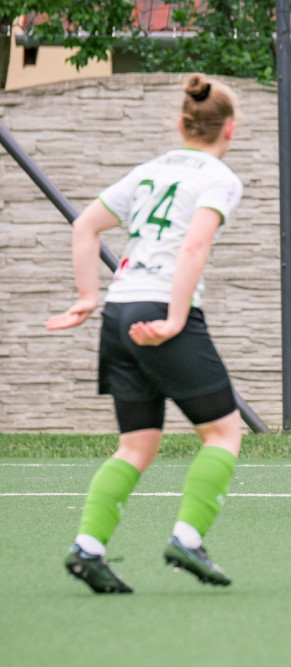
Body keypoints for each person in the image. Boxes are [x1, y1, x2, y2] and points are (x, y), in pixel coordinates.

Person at [46, 74, 244, 593]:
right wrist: (175, 319)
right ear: (230, 128)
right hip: (160, 309)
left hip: (118, 309)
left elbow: (84, 225)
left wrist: (88, 296)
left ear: (181, 124)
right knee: (223, 433)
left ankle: (87, 549)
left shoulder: (150, 170)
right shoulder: (220, 177)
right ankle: (187, 539)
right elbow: (193, 247)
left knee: (137, 445)